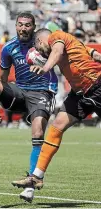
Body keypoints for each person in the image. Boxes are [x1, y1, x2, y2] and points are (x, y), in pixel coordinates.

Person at [19, 28, 101, 197]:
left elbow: (55, 52)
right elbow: (94, 54)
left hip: (97, 86)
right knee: (56, 126)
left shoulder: (56, 37)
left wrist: (45, 67)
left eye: (39, 48)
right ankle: (37, 176)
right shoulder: (74, 44)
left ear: (40, 41)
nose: (41, 53)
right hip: (79, 93)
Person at [0, 15, 58, 202]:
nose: (23, 28)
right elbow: (2, 80)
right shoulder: (9, 48)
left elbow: (59, 54)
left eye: (27, 25)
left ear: (34, 27)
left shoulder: (45, 43)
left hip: (42, 93)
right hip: (19, 92)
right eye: (20, 25)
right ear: (15, 26)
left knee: (37, 132)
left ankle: (31, 185)